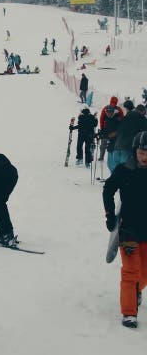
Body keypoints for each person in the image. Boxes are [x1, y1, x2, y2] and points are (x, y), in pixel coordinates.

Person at [103, 131, 147, 328]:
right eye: (141, 152)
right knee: (130, 271)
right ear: (135, 151)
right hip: (128, 229)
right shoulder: (125, 170)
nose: (144, 157)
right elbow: (108, 190)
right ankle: (129, 313)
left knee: (144, 273)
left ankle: (136, 290)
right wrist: (110, 214)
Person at [111, 101, 147, 170]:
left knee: (117, 170)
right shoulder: (142, 119)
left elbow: (119, 129)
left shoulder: (127, 116)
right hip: (128, 147)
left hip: (117, 146)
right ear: (142, 111)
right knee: (125, 169)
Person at [99, 98, 126, 165]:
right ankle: (115, 157)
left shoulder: (105, 108)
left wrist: (102, 128)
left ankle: (101, 156)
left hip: (106, 129)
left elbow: (101, 118)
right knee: (114, 145)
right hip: (115, 132)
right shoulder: (119, 109)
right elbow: (123, 119)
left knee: (103, 144)